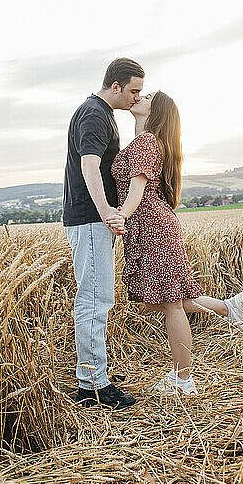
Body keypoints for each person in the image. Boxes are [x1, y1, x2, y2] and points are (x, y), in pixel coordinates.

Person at [106, 91, 243, 396]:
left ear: (156, 109)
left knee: (170, 303)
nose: (140, 96)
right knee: (157, 301)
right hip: (151, 227)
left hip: (152, 227)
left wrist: (121, 215)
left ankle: (183, 379)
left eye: (146, 96)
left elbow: (136, 187)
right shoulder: (149, 141)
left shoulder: (148, 141)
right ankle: (230, 308)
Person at [62, 57, 144, 410]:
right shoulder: (94, 114)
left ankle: (94, 372)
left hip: (90, 219)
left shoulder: (99, 112)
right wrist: (108, 212)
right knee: (95, 300)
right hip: (90, 218)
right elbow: (89, 164)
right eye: (133, 91)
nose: (136, 98)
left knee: (97, 297)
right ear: (115, 86)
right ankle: (92, 387)